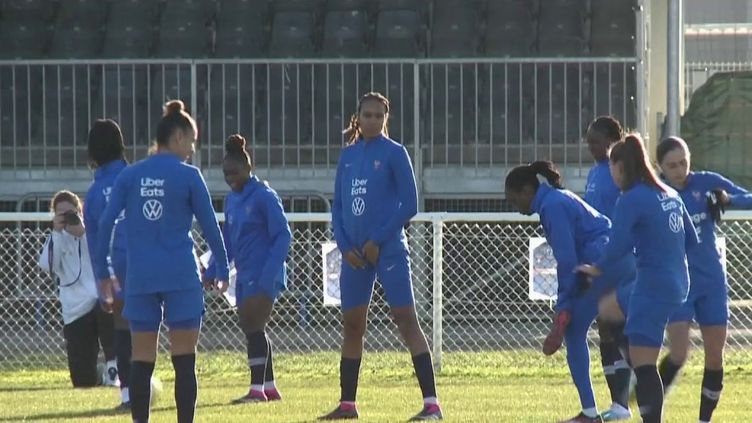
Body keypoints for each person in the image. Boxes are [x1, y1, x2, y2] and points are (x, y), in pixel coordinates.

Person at [95, 100, 230, 423]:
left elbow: (104, 224)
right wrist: (222, 268)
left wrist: (104, 273)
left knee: (142, 358)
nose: (193, 149)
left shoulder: (131, 175)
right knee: (184, 360)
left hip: (141, 277)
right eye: (193, 141)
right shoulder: (188, 175)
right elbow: (211, 228)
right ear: (179, 137)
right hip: (180, 275)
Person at [319, 92, 442, 421]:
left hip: (387, 249)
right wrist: (344, 246)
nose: (371, 120)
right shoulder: (347, 156)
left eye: (378, 115)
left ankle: (432, 404)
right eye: (366, 115)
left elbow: (410, 204)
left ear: (386, 118)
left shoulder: (394, 153)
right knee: (352, 327)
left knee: (406, 321)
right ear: (357, 117)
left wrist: (378, 238)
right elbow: (339, 207)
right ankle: (348, 405)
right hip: (355, 254)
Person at [578, 133, 699, 423]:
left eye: (612, 170)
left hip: (652, 286)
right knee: (608, 310)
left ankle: (641, 378)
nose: (612, 176)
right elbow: (691, 240)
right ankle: (636, 360)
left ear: (620, 167)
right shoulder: (669, 193)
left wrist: (594, 269)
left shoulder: (631, 198)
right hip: (677, 282)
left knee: (646, 368)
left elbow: (617, 247)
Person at [505, 161, 635, 423]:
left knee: (574, 332)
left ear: (528, 190)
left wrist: (563, 304)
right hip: (618, 260)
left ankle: (590, 412)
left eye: (513, 198)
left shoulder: (552, 206)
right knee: (620, 332)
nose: (513, 204)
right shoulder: (556, 199)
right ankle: (625, 404)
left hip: (600, 264)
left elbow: (566, 259)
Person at [655, 136, 752, 423]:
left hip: (711, 280)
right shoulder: (655, 192)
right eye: (671, 165)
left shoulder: (705, 182)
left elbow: (746, 197)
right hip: (678, 284)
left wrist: (728, 199)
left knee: (714, 355)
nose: (679, 170)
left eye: (683, 162)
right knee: (679, 353)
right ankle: (649, 401)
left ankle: (703, 420)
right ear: (660, 167)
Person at [203, 134, 292, 403]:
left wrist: (268, 274)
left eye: (235, 171)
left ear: (248, 167)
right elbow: (228, 241)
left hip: (264, 272)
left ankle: (256, 391)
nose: (230, 177)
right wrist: (213, 270)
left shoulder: (264, 196)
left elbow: (283, 235)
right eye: (225, 172)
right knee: (253, 327)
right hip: (244, 273)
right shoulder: (232, 200)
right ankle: (269, 386)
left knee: (253, 325)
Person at [38, 190, 116, 388]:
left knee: (108, 310)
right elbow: (48, 266)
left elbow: (106, 256)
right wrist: (57, 232)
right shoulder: (55, 239)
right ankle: (98, 374)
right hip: (75, 310)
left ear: (80, 211)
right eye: (61, 214)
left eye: (71, 213)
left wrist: (83, 233)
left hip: (100, 301)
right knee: (82, 381)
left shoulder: (92, 234)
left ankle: (114, 370)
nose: (67, 218)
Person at [583, 116, 632, 421]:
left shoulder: (622, 173)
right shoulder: (594, 172)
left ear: (613, 141)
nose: (591, 147)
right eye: (588, 142)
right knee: (605, 328)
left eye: (596, 142)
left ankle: (624, 401)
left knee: (618, 327)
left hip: (619, 259)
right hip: (599, 260)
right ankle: (617, 403)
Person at [83, 118, 132, 410]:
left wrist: (104, 286)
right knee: (153, 332)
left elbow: (96, 245)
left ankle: (128, 394)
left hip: (119, 270)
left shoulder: (93, 196)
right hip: (154, 263)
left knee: (123, 329)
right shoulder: (137, 178)